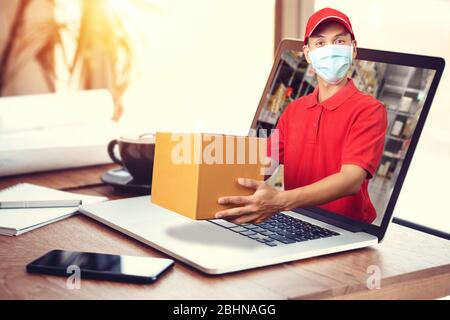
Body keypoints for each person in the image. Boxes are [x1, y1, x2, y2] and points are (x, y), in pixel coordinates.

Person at [214, 7, 387, 225]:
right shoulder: (294, 110)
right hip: (295, 219)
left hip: (346, 229)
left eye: (340, 42)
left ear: (353, 50)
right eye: (320, 43)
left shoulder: (369, 109)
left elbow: (351, 180)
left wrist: (280, 201)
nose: (331, 49)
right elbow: (266, 165)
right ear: (308, 54)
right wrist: (216, 183)